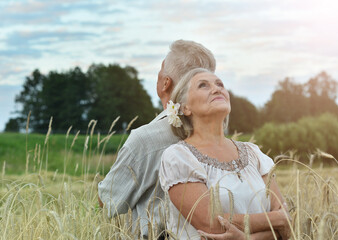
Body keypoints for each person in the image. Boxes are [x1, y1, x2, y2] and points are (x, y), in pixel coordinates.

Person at [97, 40, 217, 239]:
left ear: (165, 83)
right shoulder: (218, 137)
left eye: (161, 68)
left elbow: (108, 201)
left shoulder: (144, 140)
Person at [159, 68, 291, 239]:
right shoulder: (178, 157)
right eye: (203, 85)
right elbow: (211, 225)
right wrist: (276, 219)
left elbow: (287, 228)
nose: (216, 88)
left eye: (220, 84)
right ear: (185, 108)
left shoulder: (253, 153)